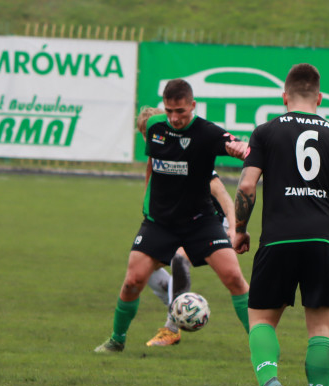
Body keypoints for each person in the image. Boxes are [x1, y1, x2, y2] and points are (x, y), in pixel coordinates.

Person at [233, 63, 329, 386]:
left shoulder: (266, 131)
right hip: (322, 240)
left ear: (284, 96)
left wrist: (240, 230)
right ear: (320, 98)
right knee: (320, 327)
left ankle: (271, 382)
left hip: (277, 238)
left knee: (261, 320)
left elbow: (246, 187)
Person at [94, 81, 250, 353]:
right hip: (160, 224)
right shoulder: (155, 127)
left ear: (193, 105)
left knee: (234, 278)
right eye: (169, 111)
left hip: (201, 222)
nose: (175, 118)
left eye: (180, 111)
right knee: (132, 281)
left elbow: (236, 145)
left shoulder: (208, 132)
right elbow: (152, 165)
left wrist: (240, 147)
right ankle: (117, 340)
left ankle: (259, 344)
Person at [145, 169, 237, 347]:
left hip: (214, 222)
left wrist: (233, 226)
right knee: (145, 266)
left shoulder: (192, 156)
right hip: (184, 222)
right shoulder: (162, 160)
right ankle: (180, 310)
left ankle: (171, 328)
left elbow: (220, 191)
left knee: (179, 259)